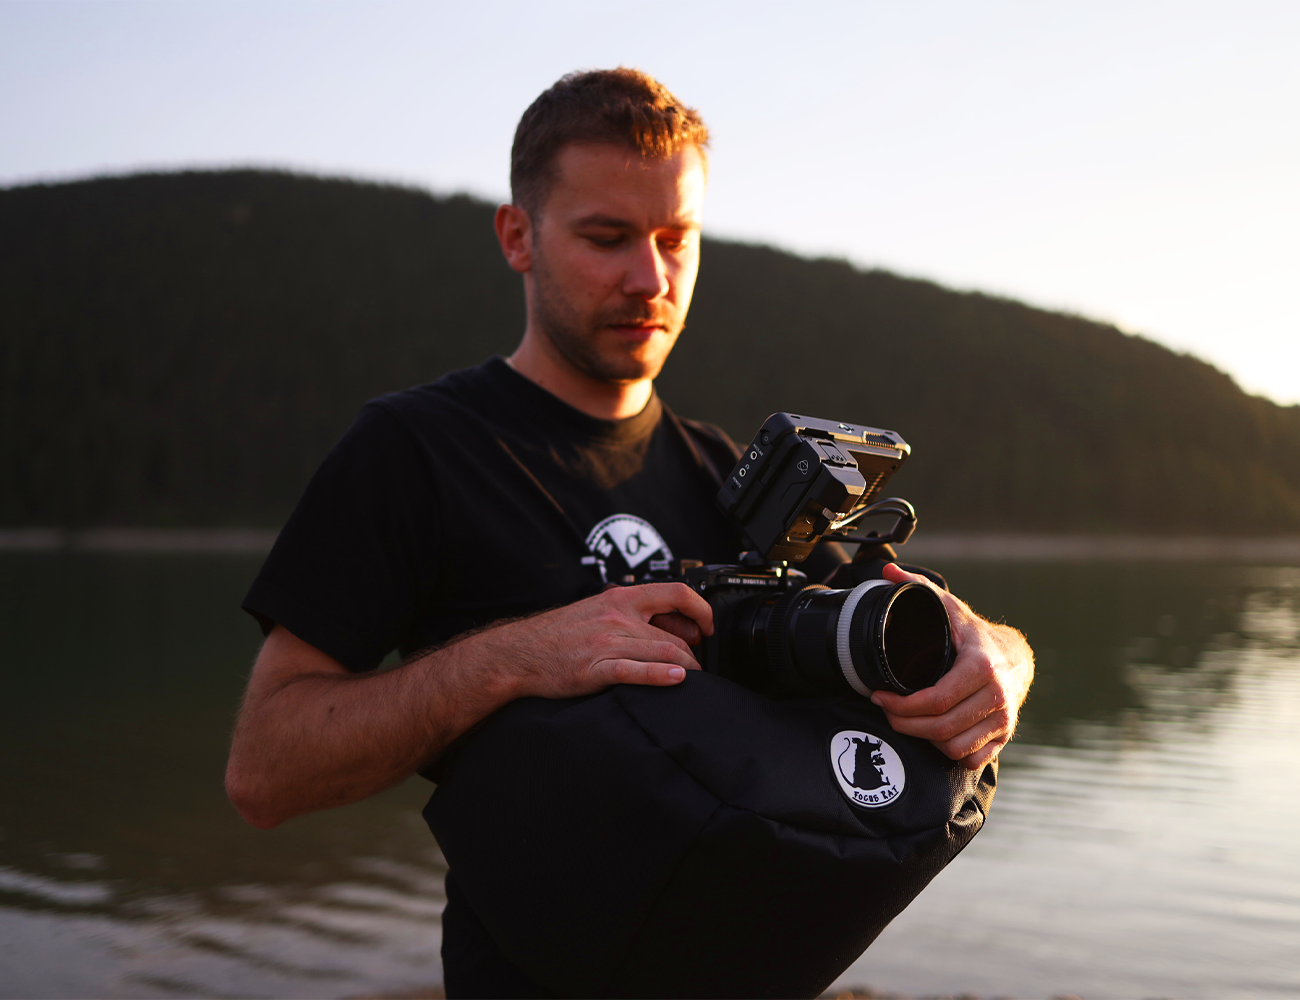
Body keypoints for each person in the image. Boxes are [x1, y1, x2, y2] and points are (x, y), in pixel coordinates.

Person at [225, 68, 1035, 998]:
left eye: (675, 239)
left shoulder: (729, 473)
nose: (649, 278)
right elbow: (265, 771)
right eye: (607, 237)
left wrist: (1001, 661)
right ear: (518, 237)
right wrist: (516, 658)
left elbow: (909, 622)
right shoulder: (418, 449)